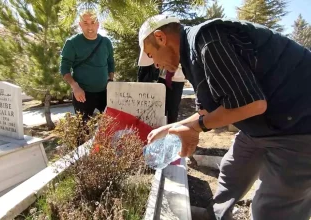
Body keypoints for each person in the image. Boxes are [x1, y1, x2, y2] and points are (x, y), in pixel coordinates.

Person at [138, 15, 311, 220]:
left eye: (151, 56)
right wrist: (169, 128)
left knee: (272, 209)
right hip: (263, 124)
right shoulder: (192, 56)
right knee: (232, 171)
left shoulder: (209, 38)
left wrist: (195, 128)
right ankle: (215, 216)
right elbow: (207, 112)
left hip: (299, 126)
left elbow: (251, 104)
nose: (156, 65)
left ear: (160, 38)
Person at [60, 10, 115, 121]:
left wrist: (110, 80)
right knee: (82, 131)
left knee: (110, 128)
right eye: (85, 23)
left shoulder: (106, 42)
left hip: (104, 93)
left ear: (98, 24)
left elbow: (110, 63)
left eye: (93, 22)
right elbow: (64, 68)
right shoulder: (72, 43)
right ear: (80, 24)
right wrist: (75, 87)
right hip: (82, 94)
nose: (90, 27)